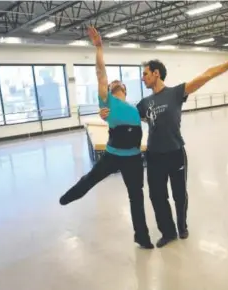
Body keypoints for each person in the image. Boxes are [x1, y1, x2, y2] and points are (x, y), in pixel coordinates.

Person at [100, 46, 228, 247]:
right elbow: (124, 119)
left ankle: (182, 226)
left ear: (156, 74)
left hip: (175, 152)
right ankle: (168, 232)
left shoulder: (175, 93)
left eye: (145, 74)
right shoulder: (144, 103)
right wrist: (106, 115)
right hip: (154, 155)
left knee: (179, 194)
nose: (142, 78)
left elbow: (207, 75)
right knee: (157, 196)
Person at [59, 26, 154, 249]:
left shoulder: (133, 108)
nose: (115, 83)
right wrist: (99, 47)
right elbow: (101, 73)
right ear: (110, 89)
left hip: (133, 158)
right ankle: (71, 195)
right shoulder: (107, 102)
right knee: (90, 179)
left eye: (118, 83)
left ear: (125, 89)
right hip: (112, 156)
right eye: (112, 83)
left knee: (136, 198)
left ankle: (141, 235)